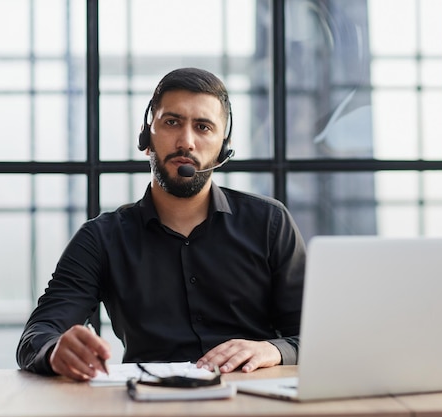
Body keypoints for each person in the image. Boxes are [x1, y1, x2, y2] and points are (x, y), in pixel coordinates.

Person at [16, 67, 306, 381]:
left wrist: (273, 350)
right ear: (146, 136)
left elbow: (315, 336)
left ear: (223, 145)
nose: (187, 142)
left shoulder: (269, 223)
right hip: (148, 402)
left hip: (255, 402)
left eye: (203, 127)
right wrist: (56, 350)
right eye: (172, 122)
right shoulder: (101, 238)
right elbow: (37, 337)